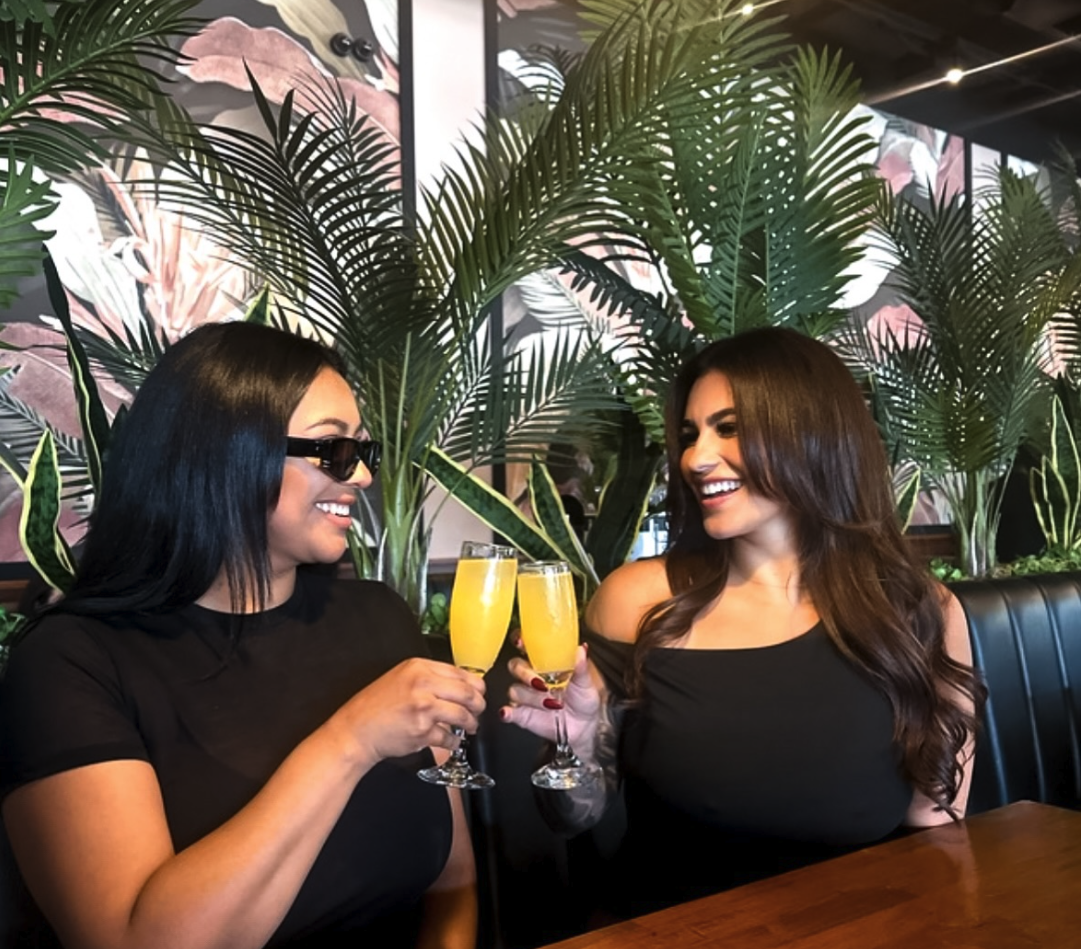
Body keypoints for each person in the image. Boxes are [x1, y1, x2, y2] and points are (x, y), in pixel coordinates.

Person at [0, 321, 484, 949]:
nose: (362, 477)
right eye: (334, 449)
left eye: (364, 451)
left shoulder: (378, 619)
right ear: (225, 453)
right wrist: (350, 740)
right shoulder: (73, 665)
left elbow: (453, 883)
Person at [503, 326, 983, 918]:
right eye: (689, 434)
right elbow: (574, 815)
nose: (695, 458)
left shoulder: (923, 612)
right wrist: (572, 747)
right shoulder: (638, 601)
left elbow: (933, 831)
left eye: (727, 428)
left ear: (811, 432)